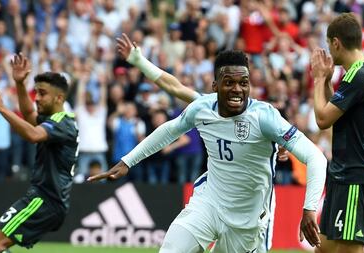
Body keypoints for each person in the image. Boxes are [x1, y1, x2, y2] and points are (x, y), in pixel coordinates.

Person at [89, 47, 327, 252]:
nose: (237, 89)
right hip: (209, 203)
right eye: (229, 83)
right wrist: (127, 161)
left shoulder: (264, 117)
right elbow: (169, 130)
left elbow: (317, 157)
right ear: (215, 86)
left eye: (243, 83)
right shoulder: (202, 108)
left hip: (248, 219)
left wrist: (309, 209)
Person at [0, 54, 78, 253]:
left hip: (46, 199)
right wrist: (20, 84)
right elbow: (28, 115)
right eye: (36, 93)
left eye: (42, 93)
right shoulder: (55, 119)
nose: (38, 98)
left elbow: (33, 135)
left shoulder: (62, 122)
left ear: (59, 98)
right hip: (46, 199)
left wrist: (1, 108)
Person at [311, 13, 364, 253]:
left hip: (355, 176)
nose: (330, 52)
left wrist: (318, 79)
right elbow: (336, 111)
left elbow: (322, 119)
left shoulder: (358, 76)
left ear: (336, 43)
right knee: (324, 248)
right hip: (343, 173)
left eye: (329, 45)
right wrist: (325, 82)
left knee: (348, 251)